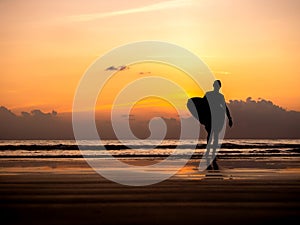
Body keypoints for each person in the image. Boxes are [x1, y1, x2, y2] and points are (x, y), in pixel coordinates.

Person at [203, 80, 233, 169]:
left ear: (219, 87)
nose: (216, 87)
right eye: (215, 85)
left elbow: (224, 107)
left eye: (217, 85)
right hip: (210, 117)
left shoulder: (219, 96)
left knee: (213, 136)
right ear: (214, 86)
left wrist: (229, 118)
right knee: (211, 135)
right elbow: (202, 105)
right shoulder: (209, 94)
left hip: (217, 118)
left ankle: (212, 155)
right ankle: (209, 154)